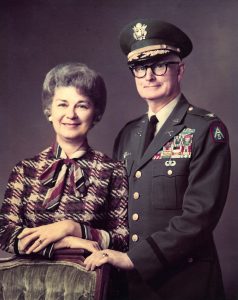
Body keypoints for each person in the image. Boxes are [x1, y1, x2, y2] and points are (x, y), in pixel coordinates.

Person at [83, 19, 231, 300]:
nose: (149, 75)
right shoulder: (128, 134)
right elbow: (118, 210)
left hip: (186, 284)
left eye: (159, 65)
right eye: (140, 68)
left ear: (180, 70)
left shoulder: (205, 129)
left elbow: (199, 217)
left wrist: (135, 259)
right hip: (130, 286)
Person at [0, 62, 128, 259]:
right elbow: (5, 234)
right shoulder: (25, 170)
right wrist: (67, 242)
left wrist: (72, 228)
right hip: (28, 283)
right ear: (49, 111)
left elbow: (121, 239)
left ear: (96, 114)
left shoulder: (113, 170)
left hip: (90, 281)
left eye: (82, 105)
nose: (71, 115)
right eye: (62, 104)